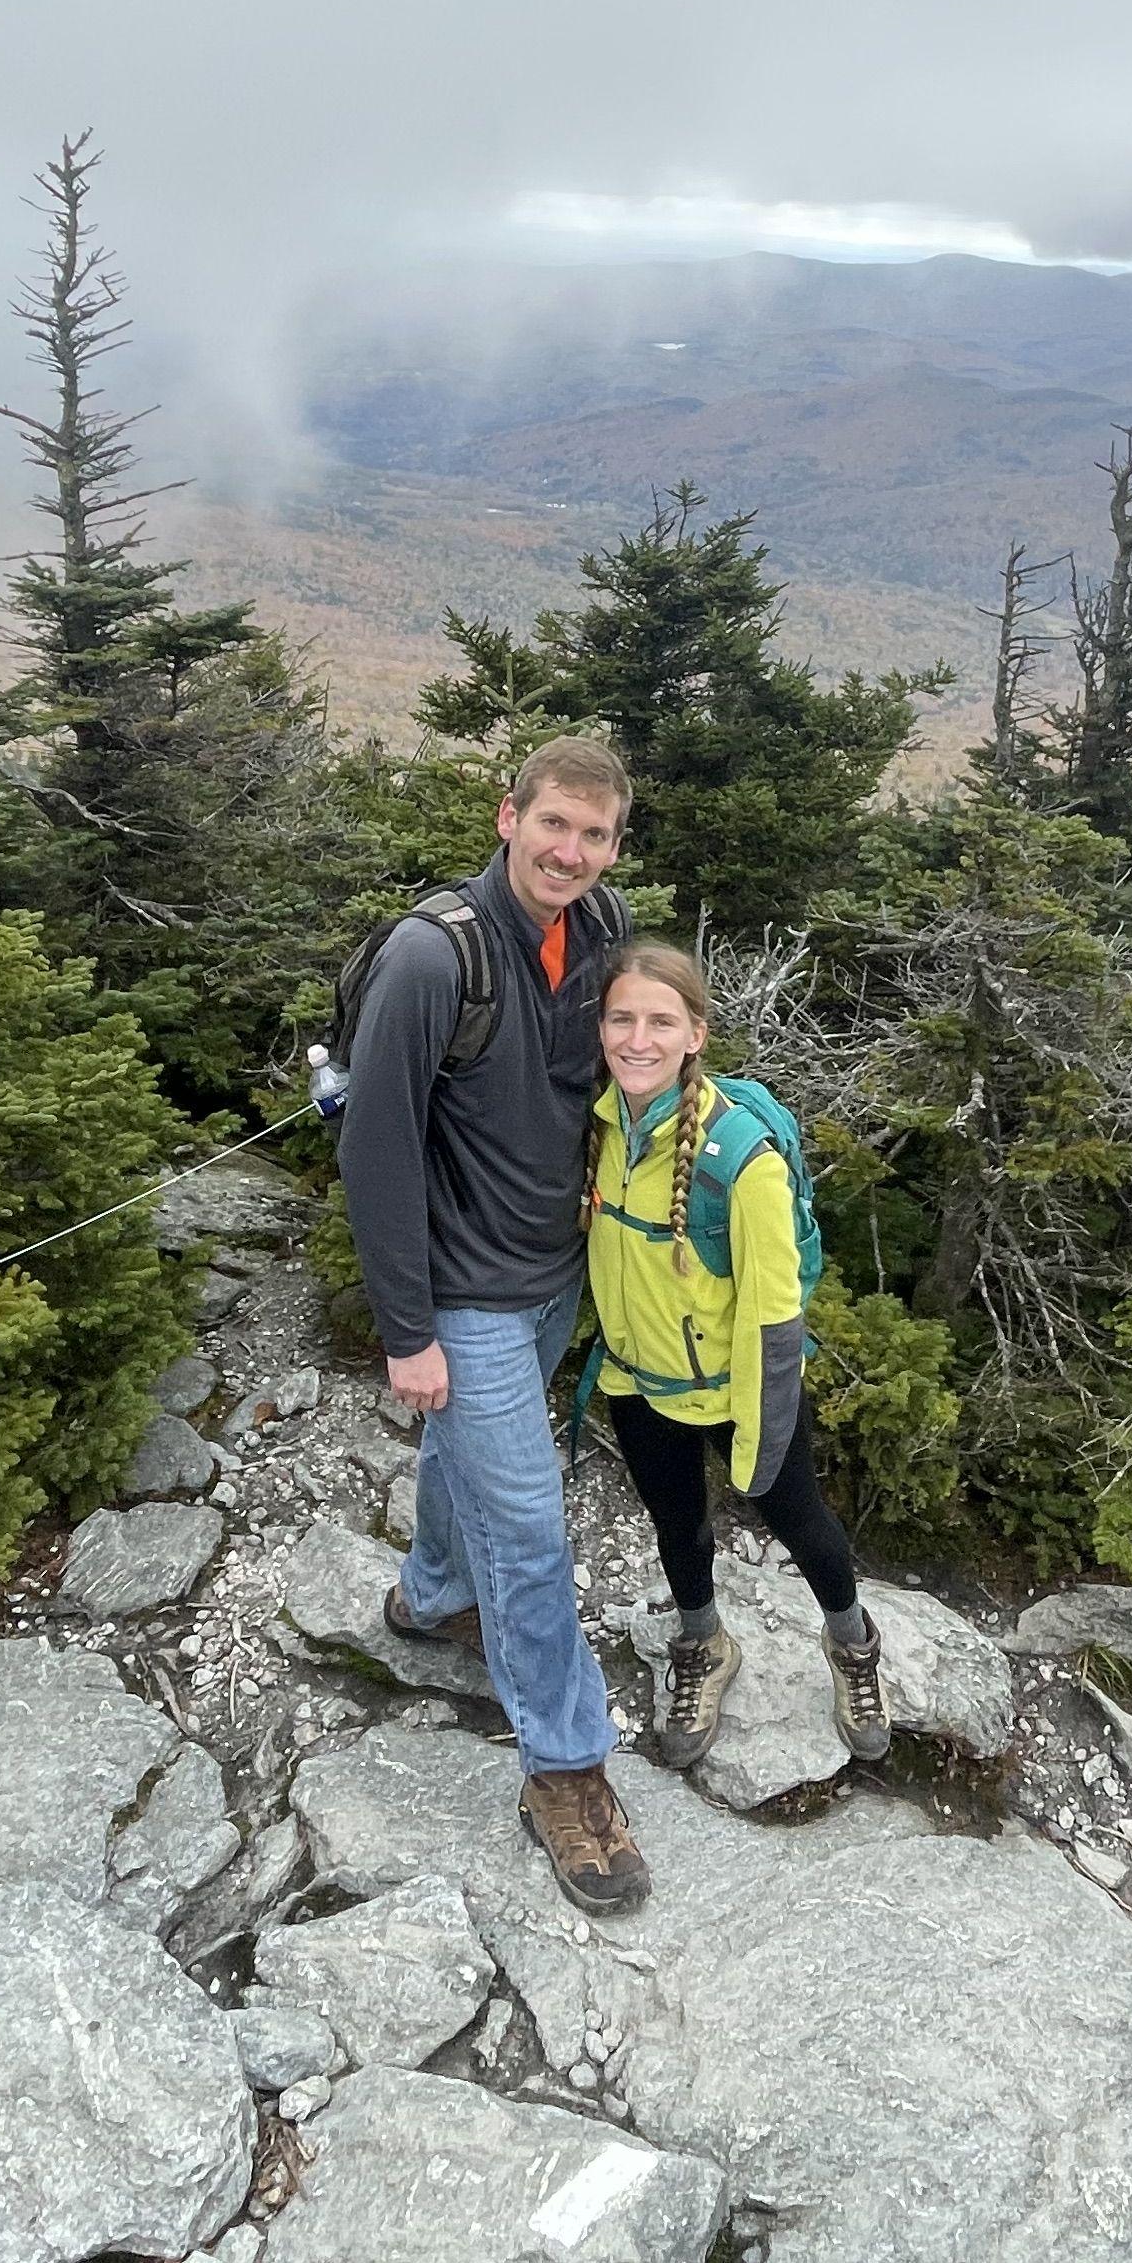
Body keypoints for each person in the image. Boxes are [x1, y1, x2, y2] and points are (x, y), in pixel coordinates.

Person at [334, 732, 652, 1911]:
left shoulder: (602, 930)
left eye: (595, 833)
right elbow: (376, 1150)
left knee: (464, 1457)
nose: (571, 851)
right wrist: (407, 1330)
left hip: (552, 1273)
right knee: (528, 1525)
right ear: (507, 817)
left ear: (614, 845)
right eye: (553, 823)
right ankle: (565, 1770)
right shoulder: (435, 958)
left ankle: (429, 1596)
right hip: (463, 1292)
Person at [582, 937, 892, 1777]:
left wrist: (760, 1433)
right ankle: (703, 1642)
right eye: (620, 1019)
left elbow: (774, 1318)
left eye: (660, 1022)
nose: (637, 1040)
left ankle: (853, 1642)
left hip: (740, 1389)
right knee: (677, 1526)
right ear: (599, 1027)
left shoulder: (741, 1158)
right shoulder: (601, 1124)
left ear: (696, 1034)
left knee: (804, 1525)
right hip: (638, 1382)